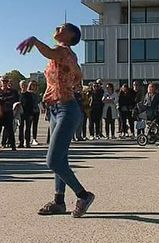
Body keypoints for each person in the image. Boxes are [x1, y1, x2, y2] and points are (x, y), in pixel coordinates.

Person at [17, 23, 94, 217]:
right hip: (56, 109)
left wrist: (34, 41)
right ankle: (59, 201)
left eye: (63, 27)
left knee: (52, 161)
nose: (58, 28)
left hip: (67, 110)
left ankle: (83, 195)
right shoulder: (69, 56)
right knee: (61, 158)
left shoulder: (63, 51)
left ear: (71, 36)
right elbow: (79, 75)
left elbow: (50, 53)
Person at [0, 76, 19, 151]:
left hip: (8, 112)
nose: (4, 83)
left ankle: (13, 145)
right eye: (3, 81)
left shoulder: (12, 91)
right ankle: (3, 144)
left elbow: (15, 100)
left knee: (10, 129)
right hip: (0, 113)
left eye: (6, 81)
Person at [18, 81, 34, 148]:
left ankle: (27, 143)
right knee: (20, 128)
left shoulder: (29, 95)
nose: (23, 86)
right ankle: (21, 143)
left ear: (27, 85)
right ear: (20, 86)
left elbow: (31, 105)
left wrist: (31, 114)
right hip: (20, 114)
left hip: (28, 114)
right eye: (22, 85)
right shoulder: (18, 94)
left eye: (24, 84)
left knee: (28, 129)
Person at [28, 81, 41, 145]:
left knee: (35, 125)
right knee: (28, 126)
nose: (34, 86)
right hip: (30, 111)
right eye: (33, 85)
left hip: (36, 111)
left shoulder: (37, 93)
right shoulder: (28, 93)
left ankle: (34, 139)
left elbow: (39, 101)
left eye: (35, 85)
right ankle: (27, 139)